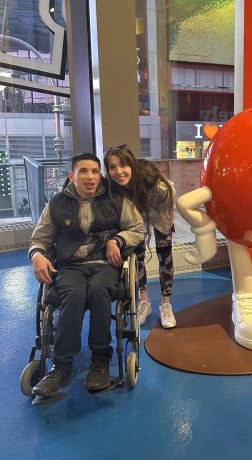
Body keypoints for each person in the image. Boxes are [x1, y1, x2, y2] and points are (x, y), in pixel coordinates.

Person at [29, 153, 144, 398]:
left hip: (105, 264)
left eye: (94, 171)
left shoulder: (116, 200)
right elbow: (41, 237)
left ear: (99, 175)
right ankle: (61, 367)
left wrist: (117, 240)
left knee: (100, 291)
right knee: (73, 296)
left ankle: (100, 361)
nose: (90, 177)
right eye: (83, 171)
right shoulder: (57, 203)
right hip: (70, 265)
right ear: (72, 175)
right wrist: (37, 255)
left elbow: (137, 228)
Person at [104, 145, 176, 329]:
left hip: (159, 206)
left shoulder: (157, 186)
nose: (118, 171)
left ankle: (166, 304)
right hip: (135, 210)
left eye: (123, 165)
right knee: (137, 255)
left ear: (132, 165)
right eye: (112, 167)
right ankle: (144, 302)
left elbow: (168, 196)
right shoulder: (111, 186)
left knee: (165, 254)